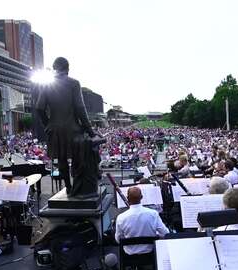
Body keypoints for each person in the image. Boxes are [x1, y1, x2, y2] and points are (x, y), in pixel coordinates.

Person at [36, 57, 100, 197]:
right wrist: (90, 130)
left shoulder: (47, 85)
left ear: (54, 68)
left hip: (55, 129)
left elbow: (39, 107)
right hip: (73, 129)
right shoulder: (73, 83)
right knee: (80, 155)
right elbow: (79, 108)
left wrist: (48, 124)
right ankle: (80, 186)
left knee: (61, 158)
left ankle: (69, 187)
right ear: (68, 68)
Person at [115, 186, 169, 255]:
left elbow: (118, 240)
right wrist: (156, 235)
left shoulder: (121, 217)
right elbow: (165, 233)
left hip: (130, 255)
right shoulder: (153, 214)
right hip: (151, 253)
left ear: (127, 198)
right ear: (142, 197)